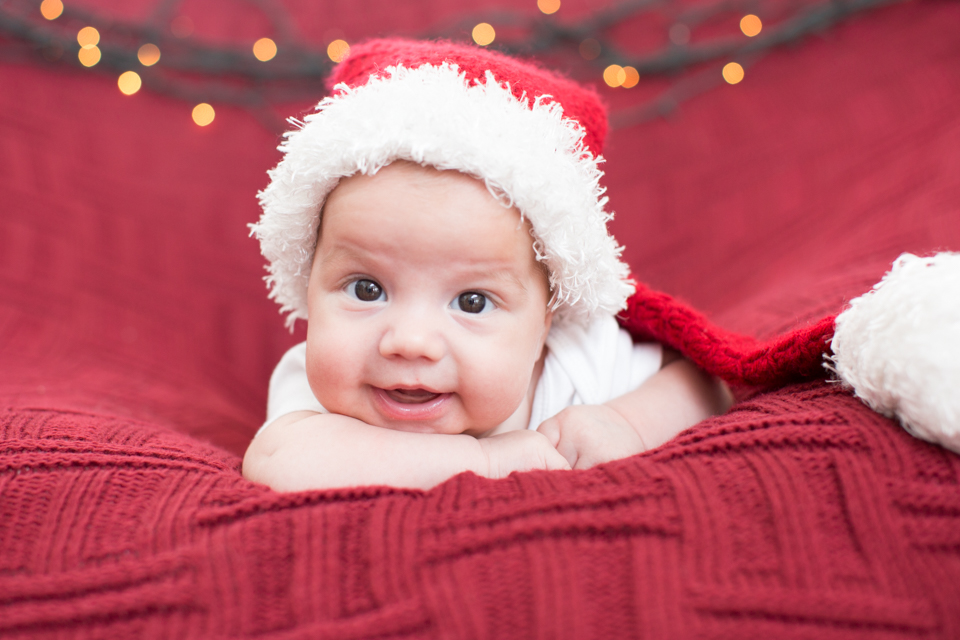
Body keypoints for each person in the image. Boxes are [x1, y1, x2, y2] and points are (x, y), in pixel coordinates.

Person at [243, 39, 732, 491]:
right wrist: (488, 462)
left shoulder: (570, 364)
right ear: (309, 284)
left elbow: (707, 385)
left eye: (472, 301)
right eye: (366, 289)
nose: (411, 342)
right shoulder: (319, 391)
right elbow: (281, 460)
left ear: (545, 322)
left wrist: (626, 422)